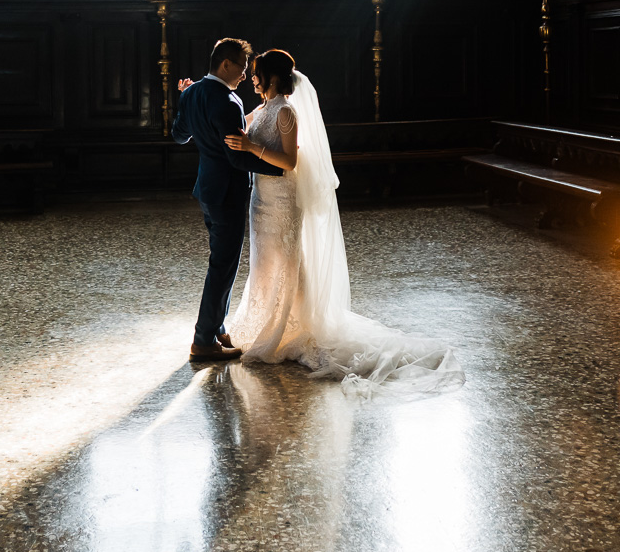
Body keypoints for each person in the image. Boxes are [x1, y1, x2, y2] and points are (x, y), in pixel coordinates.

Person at [221, 50, 463, 395]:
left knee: (288, 262)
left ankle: (293, 325)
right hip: (260, 200)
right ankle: (264, 320)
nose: (253, 79)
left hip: (283, 200)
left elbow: (289, 161)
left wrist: (251, 148)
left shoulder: (286, 112)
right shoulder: (261, 109)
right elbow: (238, 128)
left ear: (272, 77)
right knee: (265, 262)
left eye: (257, 73)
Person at [172, 39, 281, 361]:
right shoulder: (228, 101)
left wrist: (188, 104)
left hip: (206, 190)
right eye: (243, 69)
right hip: (228, 192)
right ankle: (203, 339)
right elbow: (237, 158)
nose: (245, 76)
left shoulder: (191, 93)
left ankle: (218, 328)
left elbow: (179, 136)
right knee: (222, 266)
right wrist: (281, 169)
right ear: (226, 65)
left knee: (223, 263)